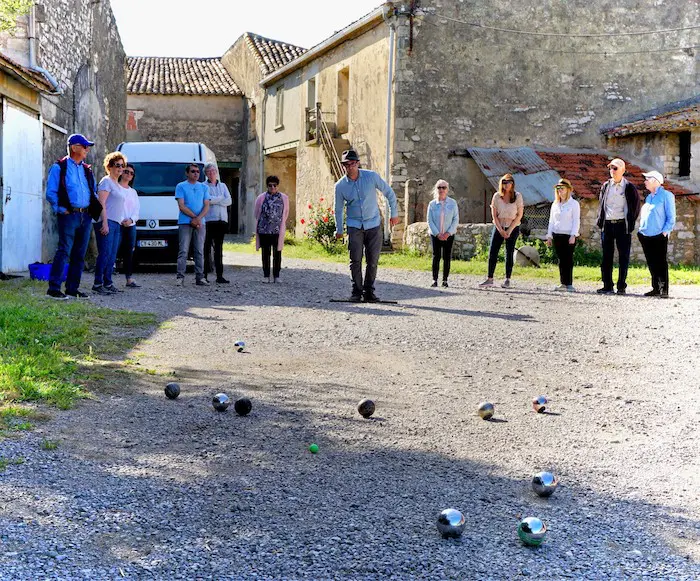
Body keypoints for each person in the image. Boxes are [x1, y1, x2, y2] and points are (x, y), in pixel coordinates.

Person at [334, 150, 399, 302]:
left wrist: (394, 214)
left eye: (352, 163)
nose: (349, 167)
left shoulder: (371, 176)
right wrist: (339, 230)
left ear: (357, 163)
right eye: (346, 164)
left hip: (373, 224)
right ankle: (356, 292)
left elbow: (389, 193)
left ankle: (369, 292)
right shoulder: (340, 186)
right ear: (343, 166)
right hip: (354, 225)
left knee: (373, 260)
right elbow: (338, 209)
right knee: (355, 260)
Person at [45, 134, 101, 300]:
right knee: (63, 251)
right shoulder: (59, 167)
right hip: (69, 215)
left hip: (85, 216)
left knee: (79, 253)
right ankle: (54, 289)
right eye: (84, 146)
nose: (87, 149)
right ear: (74, 147)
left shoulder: (86, 169)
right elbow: (51, 192)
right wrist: (60, 209)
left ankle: (72, 288)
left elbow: (93, 190)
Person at [596, 158, 641, 295]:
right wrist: (601, 220)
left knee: (623, 257)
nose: (612, 171)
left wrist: (630, 222)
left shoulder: (629, 187)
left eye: (615, 168)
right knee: (606, 257)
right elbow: (601, 204)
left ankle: (621, 286)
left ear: (622, 170)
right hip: (608, 225)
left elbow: (636, 207)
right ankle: (607, 285)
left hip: (622, 225)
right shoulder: (605, 186)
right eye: (610, 168)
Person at [479, 173, 524, 289]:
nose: (506, 184)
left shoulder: (517, 196)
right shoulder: (497, 196)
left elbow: (519, 215)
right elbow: (494, 215)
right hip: (499, 225)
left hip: (513, 226)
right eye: (503, 182)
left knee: (509, 252)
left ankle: (507, 279)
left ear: (512, 183)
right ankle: (490, 278)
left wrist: (509, 230)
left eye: (508, 182)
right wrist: (500, 229)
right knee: (493, 251)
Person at [93, 152, 128, 295]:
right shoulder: (106, 182)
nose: (120, 168)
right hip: (106, 221)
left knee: (112, 255)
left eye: (122, 165)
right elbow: (101, 202)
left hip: (116, 223)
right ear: (109, 166)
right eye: (117, 165)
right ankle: (97, 283)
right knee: (105, 253)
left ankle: (108, 282)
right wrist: (105, 223)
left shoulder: (117, 185)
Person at [638, 170, 676, 298]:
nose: (645, 182)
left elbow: (671, 217)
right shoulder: (649, 197)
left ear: (655, 181)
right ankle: (655, 288)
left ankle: (663, 289)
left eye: (647, 179)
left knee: (660, 262)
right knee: (651, 262)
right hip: (645, 234)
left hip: (659, 235)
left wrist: (665, 231)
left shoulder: (667, 195)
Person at [175, 163, 210, 286]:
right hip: (185, 222)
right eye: (193, 171)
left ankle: (200, 277)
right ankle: (180, 277)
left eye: (197, 172)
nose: (196, 173)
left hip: (200, 223)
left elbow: (206, 205)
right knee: (183, 250)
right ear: (187, 173)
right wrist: (194, 218)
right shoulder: (181, 186)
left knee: (199, 250)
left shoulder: (204, 187)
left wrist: (198, 219)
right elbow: (181, 205)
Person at [546, 178, 580, 292]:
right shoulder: (555, 204)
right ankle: (563, 283)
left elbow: (576, 221)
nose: (560, 190)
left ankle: (569, 283)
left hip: (568, 235)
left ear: (568, 190)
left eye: (562, 188)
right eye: (558, 188)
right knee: (561, 259)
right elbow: (551, 221)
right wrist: (549, 235)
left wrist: (573, 235)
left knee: (568, 259)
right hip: (557, 234)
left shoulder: (574, 204)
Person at [254, 175, 289, 283]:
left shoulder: (284, 198)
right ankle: (266, 275)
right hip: (264, 229)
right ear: (267, 186)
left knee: (277, 253)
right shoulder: (261, 198)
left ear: (278, 186)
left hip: (277, 229)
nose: (273, 187)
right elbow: (256, 213)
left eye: (275, 185)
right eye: (270, 185)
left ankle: (276, 275)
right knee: (266, 253)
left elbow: (286, 212)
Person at [427, 179, 459, 287]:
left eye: (443, 187)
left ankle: (445, 280)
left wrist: (448, 233)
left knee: (446, 257)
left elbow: (455, 219)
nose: (441, 190)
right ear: (436, 189)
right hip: (435, 235)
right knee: (436, 256)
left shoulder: (453, 203)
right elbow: (429, 220)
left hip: (448, 235)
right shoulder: (432, 204)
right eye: (439, 188)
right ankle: (434, 279)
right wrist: (437, 234)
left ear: (447, 189)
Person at [203, 163, 232, 284]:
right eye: (209, 172)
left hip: (221, 221)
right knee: (206, 248)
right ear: (206, 174)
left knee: (219, 249)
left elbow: (229, 200)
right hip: (209, 220)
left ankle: (219, 275)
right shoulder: (203, 186)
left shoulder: (223, 185)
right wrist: (220, 198)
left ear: (216, 172)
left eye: (213, 171)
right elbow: (207, 200)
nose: (211, 173)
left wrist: (215, 199)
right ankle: (203, 275)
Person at [118, 163, 141, 288]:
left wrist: (131, 220)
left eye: (131, 173)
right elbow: (113, 207)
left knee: (129, 252)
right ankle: (107, 279)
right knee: (113, 250)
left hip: (131, 226)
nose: (129, 174)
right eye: (126, 171)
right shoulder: (115, 188)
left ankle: (129, 278)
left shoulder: (133, 192)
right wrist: (121, 219)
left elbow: (136, 210)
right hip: (117, 224)